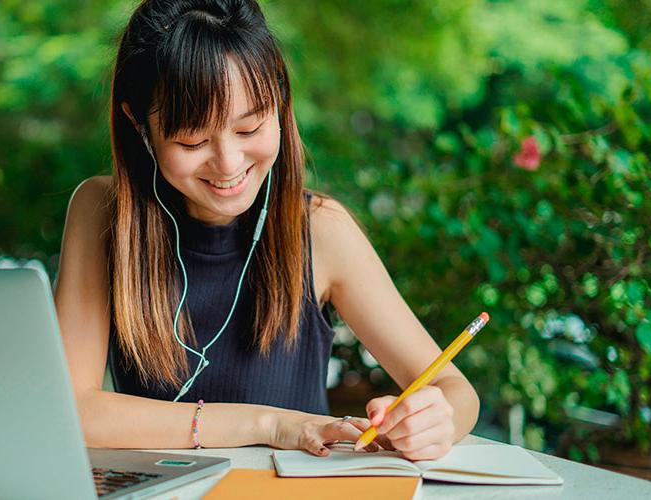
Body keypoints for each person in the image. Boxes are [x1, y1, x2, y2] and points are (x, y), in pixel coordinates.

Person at [53, 0, 479, 460]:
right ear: (140, 125)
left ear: (279, 101)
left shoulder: (320, 229)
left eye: (249, 127)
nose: (229, 164)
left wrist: (435, 420)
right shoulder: (102, 212)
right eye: (192, 141)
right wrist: (269, 423)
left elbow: (456, 390)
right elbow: (71, 411)